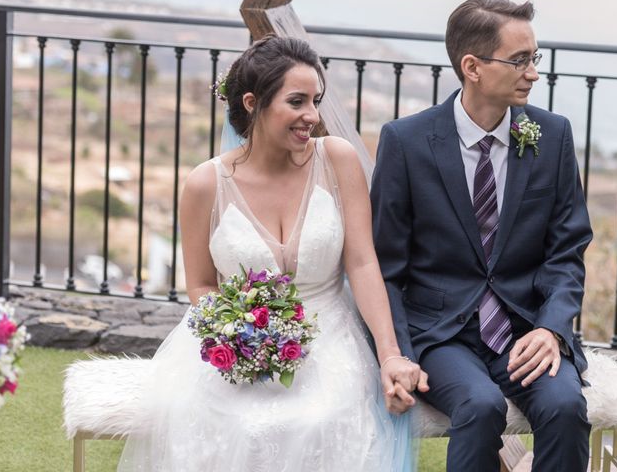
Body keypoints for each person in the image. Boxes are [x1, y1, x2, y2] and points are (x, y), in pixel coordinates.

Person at [118, 35, 426, 471]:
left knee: (320, 419)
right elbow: (202, 284)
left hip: (330, 335)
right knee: (237, 425)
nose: (312, 117)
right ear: (252, 102)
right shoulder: (206, 185)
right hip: (239, 340)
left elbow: (362, 262)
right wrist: (238, 336)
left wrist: (390, 353)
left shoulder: (337, 160)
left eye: (316, 101)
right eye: (297, 102)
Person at [371, 0, 593, 472]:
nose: (533, 72)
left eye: (535, 57)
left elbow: (567, 252)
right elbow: (385, 267)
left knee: (565, 408)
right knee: (480, 406)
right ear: (472, 66)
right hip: (443, 332)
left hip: (525, 327)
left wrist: (552, 328)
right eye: (519, 60)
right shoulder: (406, 143)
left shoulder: (552, 136)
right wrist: (397, 354)